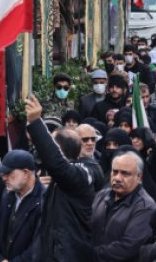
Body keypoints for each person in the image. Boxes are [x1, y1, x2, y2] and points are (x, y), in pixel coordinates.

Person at [24, 95, 95, 261]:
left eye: (52, 145)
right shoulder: (56, 180)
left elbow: (57, 165)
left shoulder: (83, 174)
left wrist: (36, 123)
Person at [90, 151, 156, 262]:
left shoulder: (145, 206)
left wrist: (87, 254)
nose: (118, 178)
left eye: (125, 174)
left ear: (139, 177)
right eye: (115, 172)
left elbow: (129, 247)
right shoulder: (101, 195)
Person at [0, 150, 44, 262]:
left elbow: (39, 245)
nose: (3, 178)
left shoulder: (45, 200)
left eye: (9, 173)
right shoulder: (7, 194)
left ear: (25, 173)